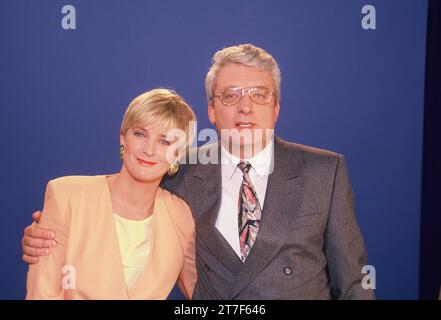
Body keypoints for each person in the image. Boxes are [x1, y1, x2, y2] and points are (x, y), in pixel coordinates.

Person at [23, 44, 375, 299]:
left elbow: (354, 282)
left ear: (277, 107)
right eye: (230, 96)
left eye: (259, 95)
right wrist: (46, 235)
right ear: (211, 109)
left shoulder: (324, 171)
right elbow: (116, 212)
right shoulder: (179, 173)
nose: (246, 107)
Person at [25, 88, 197, 299]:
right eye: (140, 134)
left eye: (164, 141)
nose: (149, 150)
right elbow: (42, 293)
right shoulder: (67, 196)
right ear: (123, 138)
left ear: (178, 154)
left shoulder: (181, 215)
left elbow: (204, 292)